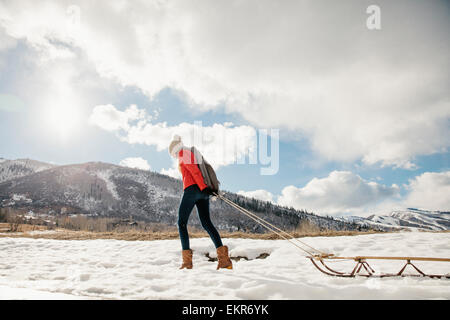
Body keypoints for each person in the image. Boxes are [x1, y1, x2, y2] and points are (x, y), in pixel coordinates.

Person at [168, 134, 233, 270]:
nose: (174, 157)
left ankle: (187, 263)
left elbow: (195, 171)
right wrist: (206, 190)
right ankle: (224, 260)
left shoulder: (183, 153)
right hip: (202, 192)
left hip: (193, 190)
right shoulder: (190, 152)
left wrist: (203, 187)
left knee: (181, 223)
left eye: (173, 154)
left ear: (174, 150)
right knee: (206, 223)